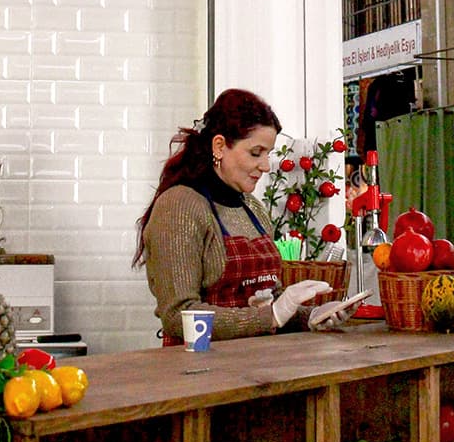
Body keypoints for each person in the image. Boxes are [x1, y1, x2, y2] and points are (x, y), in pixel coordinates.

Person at [133, 88, 357, 346]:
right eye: (255, 153)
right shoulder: (179, 207)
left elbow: (265, 303)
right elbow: (178, 316)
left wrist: (311, 316)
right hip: (199, 372)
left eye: (268, 154)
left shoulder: (254, 209)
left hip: (256, 364)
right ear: (219, 146)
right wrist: (271, 315)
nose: (266, 165)